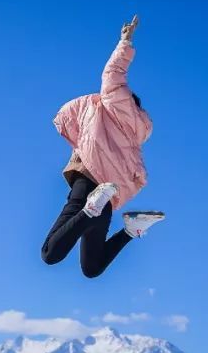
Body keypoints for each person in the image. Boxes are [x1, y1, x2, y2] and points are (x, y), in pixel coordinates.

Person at [41, 15, 164, 278]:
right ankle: (132, 229)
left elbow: (113, 71)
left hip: (89, 184)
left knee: (50, 253)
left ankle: (90, 209)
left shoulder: (111, 99)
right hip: (109, 197)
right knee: (91, 268)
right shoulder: (136, 133)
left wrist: (125, 40)